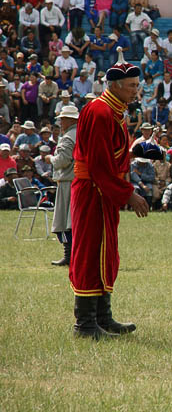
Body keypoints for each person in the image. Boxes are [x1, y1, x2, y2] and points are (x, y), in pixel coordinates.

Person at [69, 48, 149, 340]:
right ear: (114, 86)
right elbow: (100, 165)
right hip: (93, 191)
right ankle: (85, 324)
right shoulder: (101, 112)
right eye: (131, 86)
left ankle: (103, 317)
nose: (135, 91)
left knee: (105, 252)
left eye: (136, 86)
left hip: (103, 193)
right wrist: (129, 194)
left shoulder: (115, 111)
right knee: (90, 252)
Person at [44, 106, 78, 266]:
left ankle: (69, 255)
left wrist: (50, 158)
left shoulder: (68, 137)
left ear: (70, 120)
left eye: (63, 119)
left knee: (65, 221)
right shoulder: (82, 134)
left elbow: (62, 161)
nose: (61, 122)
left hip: (68, 181)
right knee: (75, 220)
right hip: (80, 180)